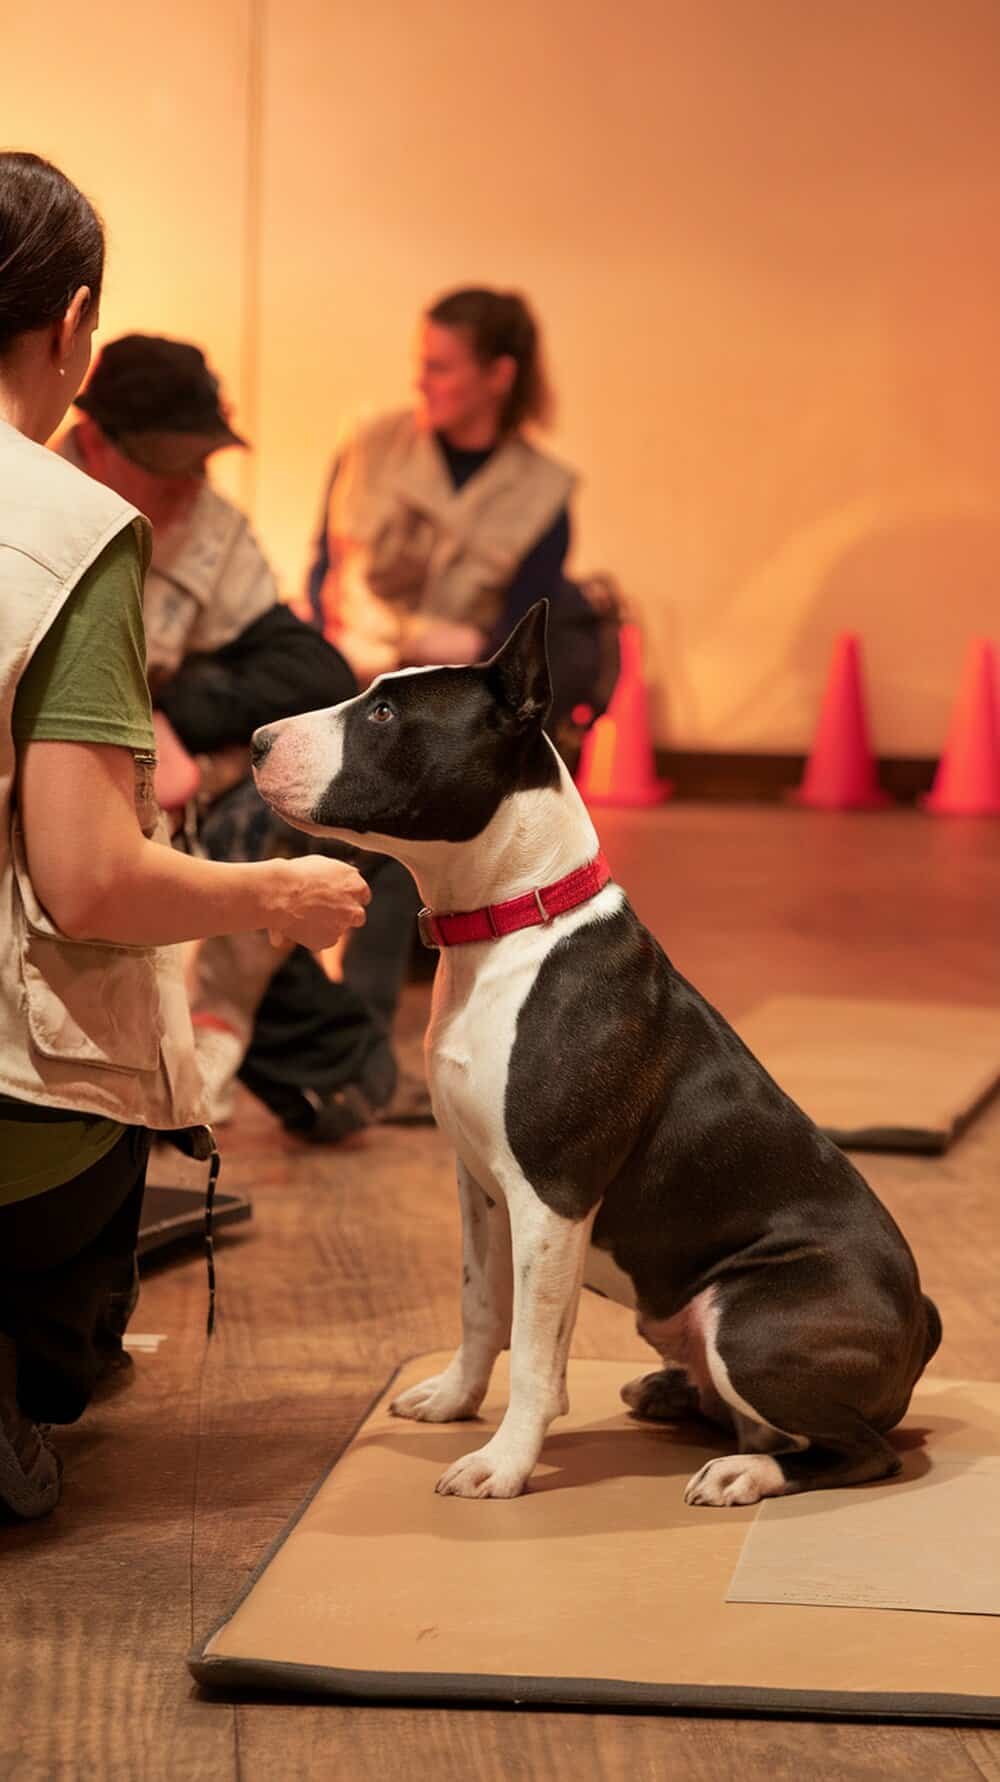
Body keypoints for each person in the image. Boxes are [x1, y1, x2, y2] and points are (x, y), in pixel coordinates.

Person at [0, 151, 369, 1519]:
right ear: (71, 327)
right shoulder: (68, 523)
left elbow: (297, 656)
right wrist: (272, 891)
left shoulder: (178, 522)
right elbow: (91, 880)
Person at [59, 335, 428, 1141]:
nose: (190, 488)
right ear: (94, 441)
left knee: (359, 794)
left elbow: (310, 670)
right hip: (71, 818)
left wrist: (175, 709)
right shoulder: (37, 514)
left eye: (202, 464)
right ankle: (329, 1062)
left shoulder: (209, 529)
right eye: (168, 466)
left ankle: (300, 1051)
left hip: (181, 804)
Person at [304, 287, 620, 752]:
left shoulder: (543, 494)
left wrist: (475, 647)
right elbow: (321, 568)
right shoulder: (367, 447)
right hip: (345, 686)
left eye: (440, 368)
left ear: (499, 376)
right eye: (421, 363)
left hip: (455, 712)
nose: (419, 382)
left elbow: (520, 636)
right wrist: (325, 646)